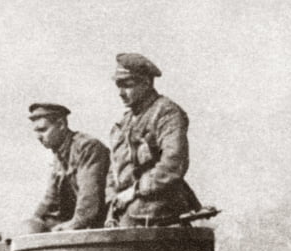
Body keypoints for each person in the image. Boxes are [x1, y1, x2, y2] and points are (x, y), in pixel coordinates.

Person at [106, 54, 200, 228]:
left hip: (159, 207)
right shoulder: (124, 123)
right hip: (127, 208)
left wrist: (134, 191)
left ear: (146, 83)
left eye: (128, 85)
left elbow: (173, 165)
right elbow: (114, 171)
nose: (121, 93)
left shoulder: (166, 113)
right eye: (118, 86)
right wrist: (113, 200)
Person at [24, 103, 110, 233]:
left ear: (61, 125)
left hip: (106, 221)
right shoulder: (60, 155)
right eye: (36, 131)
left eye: (43, 130)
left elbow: (89, 197)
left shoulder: (86, 147)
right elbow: (50, 199)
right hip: (88, 222)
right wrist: (33, 221)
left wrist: (74, 224)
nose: (38, 137)